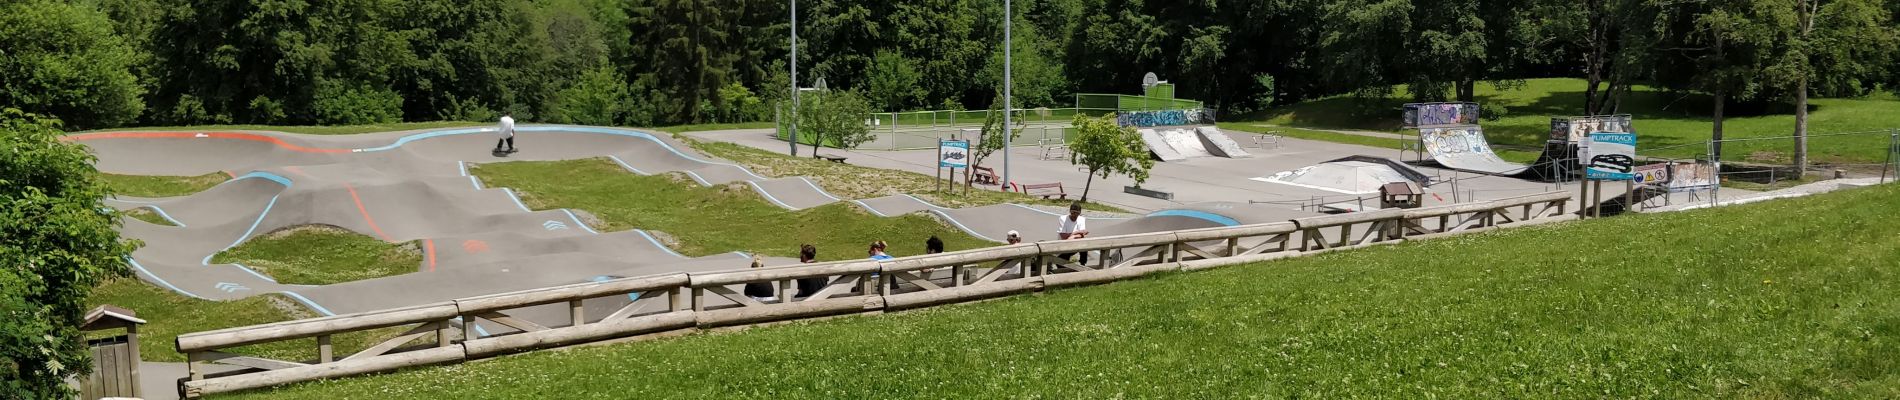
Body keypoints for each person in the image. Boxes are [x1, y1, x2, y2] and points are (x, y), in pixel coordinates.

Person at [1056, 202, 1089, 267]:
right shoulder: (1063, 219)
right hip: (1064, 245)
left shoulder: (1081, 219)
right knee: (1061, 263)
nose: (1075, 215)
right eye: (1073, 212)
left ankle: (1083, 264)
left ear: (1079, 213)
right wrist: (1077, 233)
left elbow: (1082, 235)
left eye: (1077, 213)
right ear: (1070, 212)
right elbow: (1063, 236)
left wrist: (1073, 235)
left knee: (1084, 246)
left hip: (1075, 244)